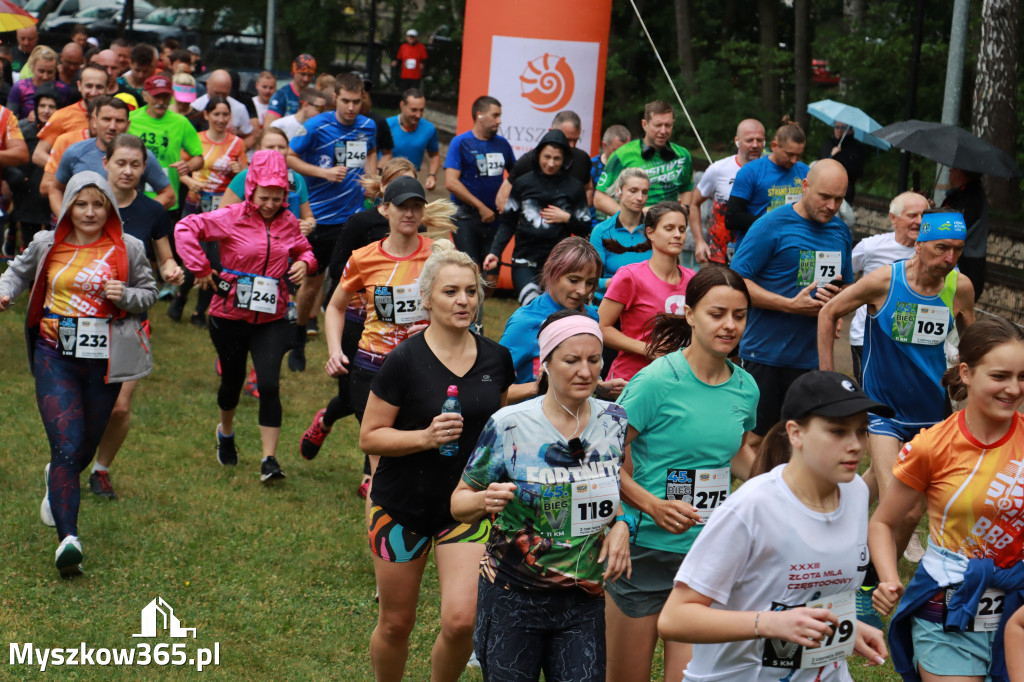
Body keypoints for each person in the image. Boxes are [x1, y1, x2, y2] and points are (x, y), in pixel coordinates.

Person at [657, 370, 891, 681]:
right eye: (837, 431)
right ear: (795, 433)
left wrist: (844, 626)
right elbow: (675, 618)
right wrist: (767, 624)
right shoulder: (752, 507)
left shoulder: (856, 492)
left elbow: (809, 594)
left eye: (861, 431)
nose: (856, 445)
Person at [360, 239, 514, 681]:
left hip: (466, 507)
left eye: (470, 291)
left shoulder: (497, 359)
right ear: (427, 298)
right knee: (395, 622)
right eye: (450, 291)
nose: (463, 300)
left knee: (462, 620)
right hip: (400, 506)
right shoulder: (403, 360)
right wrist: (425, 437)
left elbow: (497, 430)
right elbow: (369, 436)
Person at [451, 311, 632, 682]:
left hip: (584, 596)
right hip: (513, 595)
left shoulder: (614, 420)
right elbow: (458, 502)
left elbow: (615, 490)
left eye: (594, 360)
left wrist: (623, 525)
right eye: (571, 360)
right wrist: (485, 500)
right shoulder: (509, 425)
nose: (585, 371)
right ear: (545, 363)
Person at [605, 266, 759, 682]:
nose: (730, 325)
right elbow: (602, 458)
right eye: (717, 313)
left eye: (740, 315)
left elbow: (738, 455)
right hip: (645, 551)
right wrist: (651, 504)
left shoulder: (746, 388)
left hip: (708, 555)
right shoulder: (655, 381)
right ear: (690, 314)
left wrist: (774, 482)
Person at [0, 170, 157, 575]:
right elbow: (18, 271)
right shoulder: (47, 242)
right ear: (68, 205)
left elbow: (149, 293)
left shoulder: (130, 247)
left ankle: (58, 476)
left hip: (106, 361)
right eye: (81, 204)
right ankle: (69, 540)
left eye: (98, 204)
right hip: (55, 354)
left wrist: (126, 295)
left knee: (84, 446)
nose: (89, 212)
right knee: (68, 446)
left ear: (109, 207)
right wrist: (5, 291)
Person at [869, 317, 1024, 682]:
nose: (1014, 389)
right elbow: (883, 522)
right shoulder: (931, 446)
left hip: (1018, 613)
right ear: (966, 373)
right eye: (1000, 376)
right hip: (946, 616)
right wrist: (888, 578)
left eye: (1022, 377)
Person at [818, 210, 976, 560]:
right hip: (882, 409)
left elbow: (973, 343)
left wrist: (969, 377)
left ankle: (831, 526)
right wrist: (828, 378)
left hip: (931, 411)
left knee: (879, 484)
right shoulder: (884, 282)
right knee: (904, 508)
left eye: (958, 250)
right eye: (941, 248)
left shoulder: (959, 287)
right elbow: (828, 313)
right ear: (919, 245)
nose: (950, 258)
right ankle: (877, 578)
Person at [174, 150, 316, 483]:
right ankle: (225, 432)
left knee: (268, 383)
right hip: (230, 315)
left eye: (277, 197)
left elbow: (304, 250)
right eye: (264, 197)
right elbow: (184, 229)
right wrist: (202, 268)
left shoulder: (289, 222)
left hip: (273, 316)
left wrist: (303, 263)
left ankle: (269, 460)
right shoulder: (231, 216)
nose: (270, 203)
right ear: (250, 190)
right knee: (232, 380)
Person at [316, 177, 452, 503]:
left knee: (420, 453)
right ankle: (385, 541)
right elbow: (334, 307)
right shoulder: (363, 258)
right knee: (382, 464)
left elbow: (467, 307)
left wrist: (438, 327)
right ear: (384, 208)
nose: (409, 212)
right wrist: (335, 351)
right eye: (402, 205)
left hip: (425, 365)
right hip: (372, 368)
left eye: (416, 206)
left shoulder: (440, 254)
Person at [299, 159, 417, 496]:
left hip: (401, 335)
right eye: (399, 191)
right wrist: (373, 288)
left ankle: (371, 475)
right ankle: (326, 419)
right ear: (384, 194)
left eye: (413, 196)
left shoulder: (422, 237)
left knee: (393, 401)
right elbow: (338, 268)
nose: (407, 206)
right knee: (353, 399)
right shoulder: (362, 223)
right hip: (357, 321)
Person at [730, 159, 851, 451]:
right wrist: (788, 304)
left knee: (801, 442)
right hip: (766, 354)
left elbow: (845, 286)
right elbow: (734, 282)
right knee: (755, 441)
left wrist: (837, 308)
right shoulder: (771, 225)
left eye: (839, 199)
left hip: (811, 357)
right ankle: (748, 496)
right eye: (825, 196)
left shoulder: (841, 232)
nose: (832, 205)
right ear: (805, 186)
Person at [88, 134, 184, 499]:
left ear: (145, 168)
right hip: (82, 316)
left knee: (120, 406)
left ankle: (101, 470)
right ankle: (69, 462)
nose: (127, 171)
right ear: (106, 163)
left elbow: (165, 257)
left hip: (130, 318)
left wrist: (173, 270)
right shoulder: (87, 204)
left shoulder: (152, 212)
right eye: (120, 163)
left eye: (135, 165)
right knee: (81, 399)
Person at [286, 72, 378, 371]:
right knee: (312, 284)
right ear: (335, 97)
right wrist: (323, 173)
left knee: (352, 285)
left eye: (357, 101)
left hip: (352, 219)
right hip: (319, 219)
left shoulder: (368, 125)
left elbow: (372, 152)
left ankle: (350, 346)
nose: (352, 108)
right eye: (346, 101)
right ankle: (298, 338)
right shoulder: (316, 126)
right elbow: (289, 157)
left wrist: (371, 179)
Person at [595, 100, 705, 266]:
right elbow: (599, 198)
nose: (663, 131)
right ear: (644, 124)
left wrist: (685, 210)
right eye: (658, 125)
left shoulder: (682, 155)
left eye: (668, 126)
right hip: (633, 229)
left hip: (667, 232)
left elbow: (686, 188)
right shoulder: (623, 154)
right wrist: (631, 213)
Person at [482, 129, 591, 298]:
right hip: (524, 259)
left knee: (553, 312)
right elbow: (508, 223)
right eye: (547, 157)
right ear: (538, 155)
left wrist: (566, 218)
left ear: (565, 160)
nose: (551, 163)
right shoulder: (522, 183)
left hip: (558, 262)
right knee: (531, 302)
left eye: (557, 158)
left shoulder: (574, 187)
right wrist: (495, 252)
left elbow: (585, 227)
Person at [598, 201, 696, 383]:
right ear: (650, 232)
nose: (677, 235)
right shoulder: (630, 276)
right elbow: (601, 327)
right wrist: (648, 349)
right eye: (669, 228)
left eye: (682, 230)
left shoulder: (693, 280)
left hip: (679, 382)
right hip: (631, 381)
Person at [171, 96, 248, 327]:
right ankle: (180, 298)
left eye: (226, 115)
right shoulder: (197, 139)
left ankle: (199, 311)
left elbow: (247, 177)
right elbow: (180, 168)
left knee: (215, 261)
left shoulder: (237, 143)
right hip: (195, 205)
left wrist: (239, 170)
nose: (221, 119)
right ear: (206, 116)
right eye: (216, 114)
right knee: (192, 257)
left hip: (223, 210)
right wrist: (188, 182)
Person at [843, 191, 929, 384]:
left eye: (924, 215)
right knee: (874, 404)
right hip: (868, 339)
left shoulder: (935, 252)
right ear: (893, 218)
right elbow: (841, 275)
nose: (919, 221)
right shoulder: (871, 247)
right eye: (912, 215)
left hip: (912, 340)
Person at [49, 97, 174, 213]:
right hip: (83, 229)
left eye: (119, 121)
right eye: (106, 119)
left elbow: (169, 195)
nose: (112, 127)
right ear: (94, 121)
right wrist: (66, 219)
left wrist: (139, 216)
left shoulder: (141, 155)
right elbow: (55, 189)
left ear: (128, 125)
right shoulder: (75, 152)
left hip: (125, 232)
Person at [443, 95, 515, 271]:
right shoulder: (460, 142)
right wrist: (481, 207)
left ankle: (482, 297)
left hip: (495, 218)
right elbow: (451, 183)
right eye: (495, 115)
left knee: (491, 274)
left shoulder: (502, 144)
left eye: (500, 116)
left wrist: (507, 197)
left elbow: (516, 176)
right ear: (480, 115)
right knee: (471, 269)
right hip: (465, 217)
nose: (499, 121)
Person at [690, 119, 765, 264]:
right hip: (720, 256)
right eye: (749, 140)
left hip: (757, 253)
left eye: (759, 140)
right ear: (737, 141)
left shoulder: (770, 170)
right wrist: (699, 242)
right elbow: (694, 204)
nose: (755, 145)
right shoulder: (719, 169)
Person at [726, 120, 810, 248]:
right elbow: (732, 219)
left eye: (798, 155)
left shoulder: (805, 171)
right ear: (774, 146)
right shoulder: (751, 171)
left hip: (791, 247)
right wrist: (772, 222)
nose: (794, 160)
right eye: (789, 154)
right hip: (756, 247)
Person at [129, 74, 204, 213]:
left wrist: (187, 166)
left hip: (168, 200)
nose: (162, 101)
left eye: (166, 96)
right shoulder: (130, 119)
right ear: (145, 96)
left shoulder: (181, 122)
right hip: (134, 196)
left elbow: (199, 158)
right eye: (156, 96)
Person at [497, 111, 595, 212]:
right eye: (567, 139)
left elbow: (588, 189)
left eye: (576, 140)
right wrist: (523, 223)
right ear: (551, 131)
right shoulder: (528, 161)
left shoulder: (582, 159)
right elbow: (502, 199)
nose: (572, 145)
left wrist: (577, 217)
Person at [221, 126, 314, 227]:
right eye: (270, 147)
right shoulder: (245, 176)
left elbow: (309, 217)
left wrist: (308, 225)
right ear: (258, 150)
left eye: (281, 147)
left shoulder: (296, 179)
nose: (276, 151)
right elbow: (222, 216)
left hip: (287, 240)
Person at [6, 86, 56, 257]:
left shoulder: (63, 135)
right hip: (27, 195)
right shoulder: (24, 131)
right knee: (29, 244)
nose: (46, 110)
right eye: (42, 106)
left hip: (51, 194)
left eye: (51, 106)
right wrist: (18, 179)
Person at [589, 168, 651, 301]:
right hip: (607, 302)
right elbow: (590, 280)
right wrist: (619, 283)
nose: (639, 198)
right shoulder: (602, 231)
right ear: (618, 191)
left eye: (644, 192)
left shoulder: (653, 230)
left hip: (645, 302)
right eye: (633, 191)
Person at [32, 64, 108, 168]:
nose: (93, 92)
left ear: (107, 88)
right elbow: (38, 155)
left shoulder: (115, 117)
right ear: (79, 86)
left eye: (99, 87)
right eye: (89, 86)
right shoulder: (62, 116)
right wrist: (67, 172)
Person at [942, 168, 989, 300]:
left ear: (961, 172)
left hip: (967, 263)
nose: (949, 170)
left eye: (953, 168)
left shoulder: (972, 197)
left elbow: (959, 230)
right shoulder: (957, 195)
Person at [387, 88, 439, 188]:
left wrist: (432, 176)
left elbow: (434, 155)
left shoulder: (429, 129)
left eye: (422, 110)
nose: (418, 115)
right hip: (387, 178)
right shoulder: (387, 125)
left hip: (412, 180)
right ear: (402, 106)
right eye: (414, 110)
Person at [190, 69, 257, 148]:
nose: (220, 97)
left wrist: (235, 151)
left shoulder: (239, 108)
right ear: (207, 85)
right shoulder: (195, 106)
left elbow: (251, 136)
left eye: (224, 93)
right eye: (216, 93)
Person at [8, 46, 71, 120]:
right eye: (41, 71)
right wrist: (29, 120)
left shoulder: (64, 90)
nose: (45, 77)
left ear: (56, 70)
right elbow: (8, 123)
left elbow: (68, 121)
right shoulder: (20, 87)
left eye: (50, 72)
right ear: (32, 68)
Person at [818, 121, 864, 202]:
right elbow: (819, 167)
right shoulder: (828, 145)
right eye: (837, 127)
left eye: (843, 128)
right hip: (824, 188)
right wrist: (831, 156)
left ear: (850, 130)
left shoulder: (856, 148)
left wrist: (840, 157)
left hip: (845, 192)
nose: (839, 130)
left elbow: (857, 173)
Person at [264, 54, 316, 124]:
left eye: (310, 75)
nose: (306, 79)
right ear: (294, 72)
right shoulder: (281, 95)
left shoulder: (314, 96)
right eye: (302, 74)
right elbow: (269, 127)